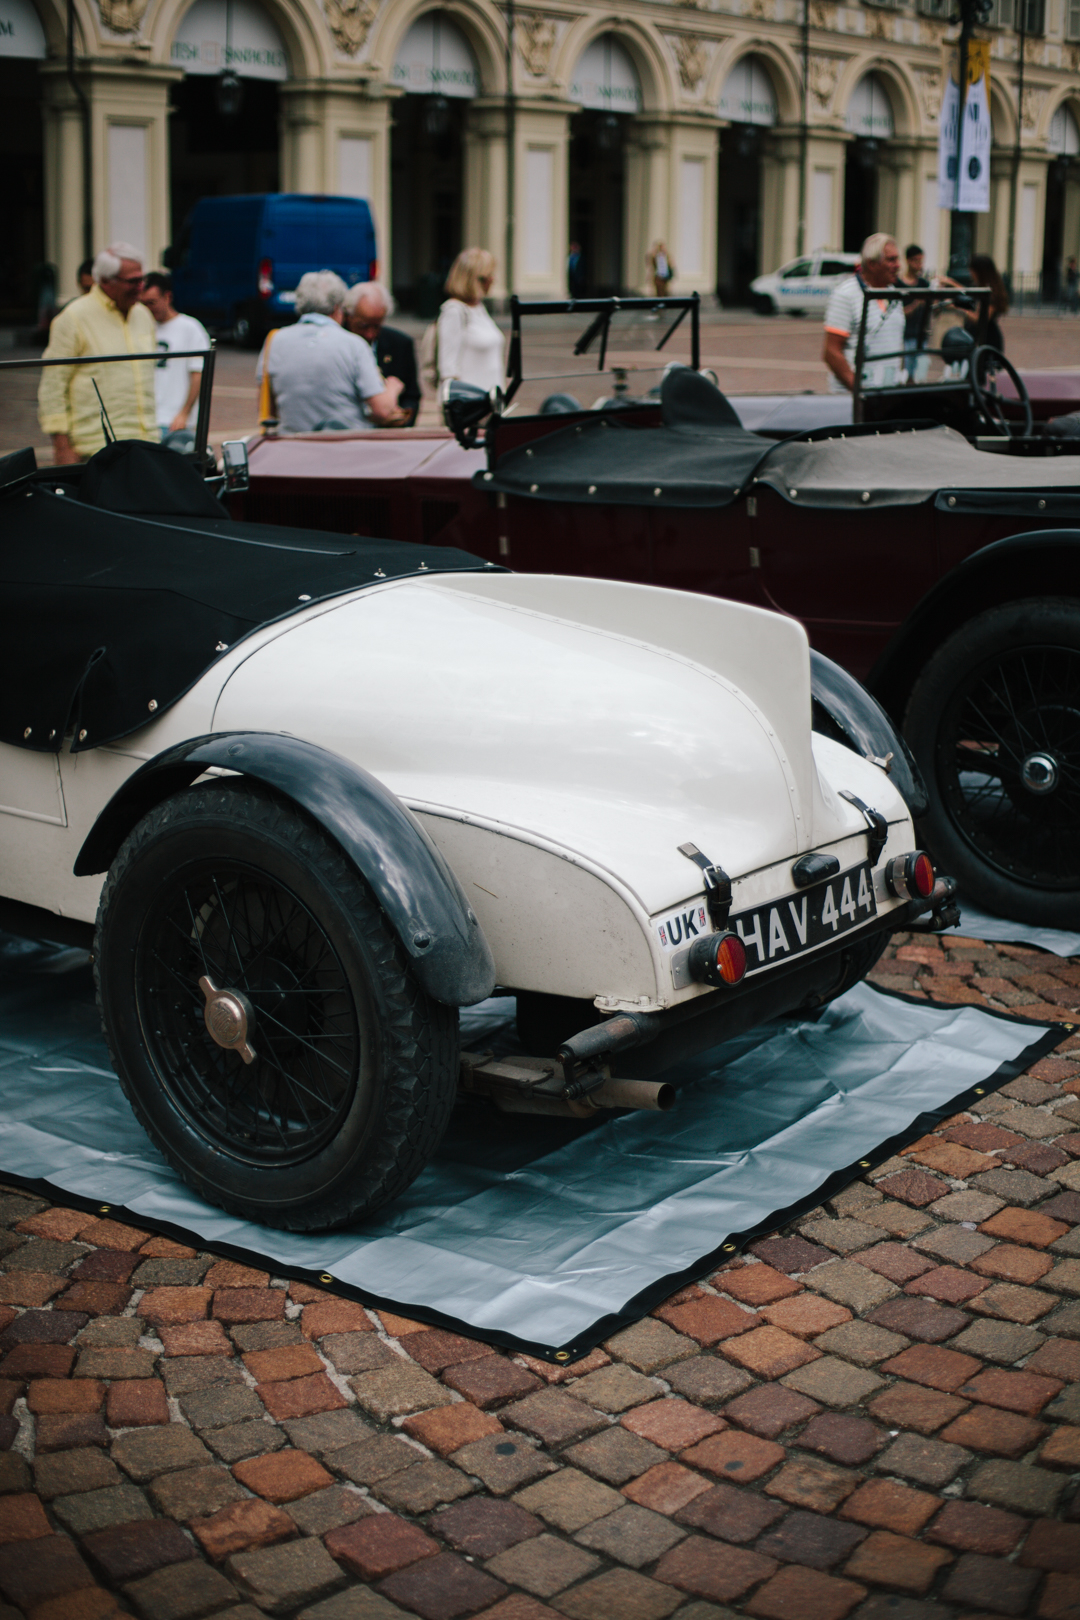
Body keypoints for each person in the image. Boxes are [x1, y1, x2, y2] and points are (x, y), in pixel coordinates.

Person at [38, 242, 158, 465]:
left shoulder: (143, 316)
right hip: (96, 452)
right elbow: (53, 386)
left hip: (146, 445)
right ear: (105, 281)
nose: (141, 287)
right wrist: (62, 447)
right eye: (133, 281)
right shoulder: (73, 317)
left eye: (143, 279)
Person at [255, 270, 407, 432]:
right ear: (337, 308)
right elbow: (382, 411)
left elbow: (268, 408)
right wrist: (393, 387)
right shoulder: (353, 344)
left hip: (294, 444)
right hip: (344, 445)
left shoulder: (276, 341)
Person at [822, 233, 904, 394]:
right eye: (891, 260)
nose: (898, 265)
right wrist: (860, 391)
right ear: (872, 264)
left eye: (897, 259)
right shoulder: (846, 294)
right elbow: (831, 352)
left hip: (888, 395)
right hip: (854, 398)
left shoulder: (895, 295)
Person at [139, 271, 211, 439]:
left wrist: (184, 413)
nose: (148, 309)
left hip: (173, 421)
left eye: (152, 302)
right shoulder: (141, 327)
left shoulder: (190, 328)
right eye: (143, 304)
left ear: (167, 297)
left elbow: (198, 375)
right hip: (146, 420)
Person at [343, 282, 420, 424]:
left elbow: (412, 396)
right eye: (363, 326)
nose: (370, 334)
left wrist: (403, 417)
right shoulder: (337, 344)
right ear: (348, 316)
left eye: (377, 326)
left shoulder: (401, 344)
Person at [435, 249, 504, 392]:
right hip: (471, 404)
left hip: (491, 400)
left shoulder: (478, 308)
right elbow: (448, 369)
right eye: (489, 275)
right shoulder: (454, 311)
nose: (493, 279)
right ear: (476, 279)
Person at [901, 243, 931, 381]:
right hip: (904, 335)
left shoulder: (923, 283)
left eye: (921, 261)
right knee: (905, 373)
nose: (919, 265)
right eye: (916, 261)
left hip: (921, 334)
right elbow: (898, 313)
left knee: (920, 373)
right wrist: (916, 303)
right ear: (908, 260)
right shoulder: (898, 284)